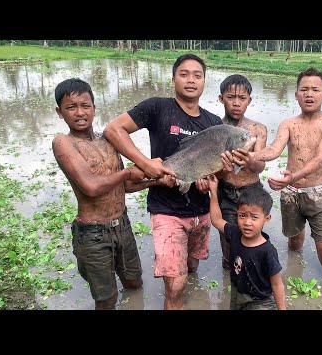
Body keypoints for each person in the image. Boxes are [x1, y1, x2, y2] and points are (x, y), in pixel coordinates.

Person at [103, 54, 225, 310]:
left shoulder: (214, 123)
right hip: (165, 210)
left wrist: (209, 179)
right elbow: (114, 130)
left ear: (204, 82)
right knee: (176, 284)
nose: (190, 80)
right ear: (173, 80)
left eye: (197, 75)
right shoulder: (157, 107)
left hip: (201, 212)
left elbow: (219, 172)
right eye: (184, 74)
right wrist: (146, 164)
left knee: (192, 267)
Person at [52, 78, 176, 310]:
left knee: (134, 282)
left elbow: (123, 187)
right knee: (106, 298)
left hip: (123, 225)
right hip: (93, 233)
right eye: (71, 107)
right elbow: (91, 187)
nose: (80, 113)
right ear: (60, 112)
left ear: (94, 108)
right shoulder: (63, 143)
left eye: (85, 105)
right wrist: (130, 171)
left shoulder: (108, 141)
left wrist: (156, 182)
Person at [236, 67, 322, 283]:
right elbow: (274, 149)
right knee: (294, 243)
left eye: (315, 89)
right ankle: (295, 278)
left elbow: (321, 158)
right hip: (291, 194)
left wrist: (293, 177)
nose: (309, 94)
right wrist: (253, 157)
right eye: (304, 89)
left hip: (318, 194)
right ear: (296, 95)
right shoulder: (288, 124)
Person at [208, 174, 285, 310]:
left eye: (254, 217)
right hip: (238, 294)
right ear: (237, 214)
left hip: (261, 302)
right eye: (242, 216)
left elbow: (277, 285)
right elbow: (216, 220)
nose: (247, 222)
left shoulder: (267, 251)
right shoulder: (235, 233)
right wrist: (213, 192)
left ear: (266, 219)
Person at [216, 74, 268, 271]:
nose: (236, 103)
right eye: (230, 97)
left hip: (252, 191)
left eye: (242, 98)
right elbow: (212, 170)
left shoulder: (257, 129)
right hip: (226, 191)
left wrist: (250, 161)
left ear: (249, 100)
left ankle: (252, 278)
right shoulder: (215, 129)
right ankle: (230, 282)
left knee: (252, 241)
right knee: (229, 242)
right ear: (221, 98)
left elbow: (260, 166)